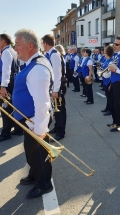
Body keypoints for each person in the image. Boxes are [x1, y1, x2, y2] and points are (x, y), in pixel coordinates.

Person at [13, 28, 53, 198]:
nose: (15, 48)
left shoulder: (37, 68)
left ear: (30, 46)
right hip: (29, 119)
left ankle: (43, 183)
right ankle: (34, 175)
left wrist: (40, 130)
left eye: (18, 45)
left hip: (35, 120)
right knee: (30, 151)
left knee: (38, 153)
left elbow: (42, 104)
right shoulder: (33, 64)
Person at [42, 34, 65, 141]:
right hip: (55, 87)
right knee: (57, 110)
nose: (42, 45)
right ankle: (57, 127)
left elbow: (57, 74)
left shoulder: (54, 55)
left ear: (46, 44)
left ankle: (61, 132)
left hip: (58, 87)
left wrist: (55, 90)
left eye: (43, 43)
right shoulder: (50, 54)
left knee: (60, 109)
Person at [0, 33, 22, 142]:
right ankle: (18, 129)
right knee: (14, 107)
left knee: (6, 108)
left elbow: (6, 71)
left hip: (8, 83)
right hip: (14, 81)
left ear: (3, 42)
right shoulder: (13, 51)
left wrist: (3, 86)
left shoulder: (5, 52)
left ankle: (5, 133)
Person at [100, 45, 114, 116]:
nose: (104, 54)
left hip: (108, 80)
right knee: (107, 96)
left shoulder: (110, 61)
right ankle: (107, 107)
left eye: (105, 52)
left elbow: (109, 74)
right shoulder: (106, 60)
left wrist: (101, 74)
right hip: (105, 80)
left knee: (110, 97)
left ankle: (110, 110)